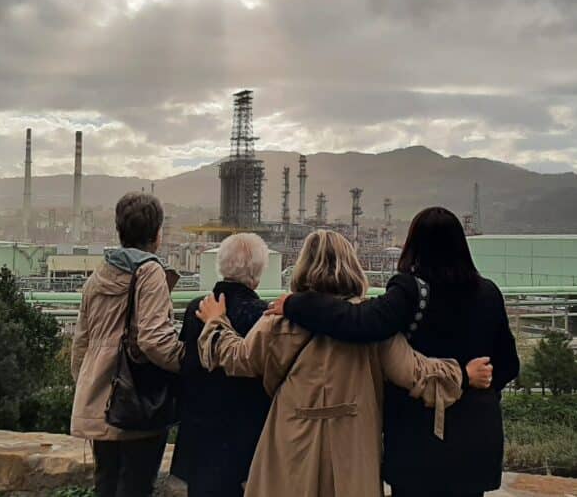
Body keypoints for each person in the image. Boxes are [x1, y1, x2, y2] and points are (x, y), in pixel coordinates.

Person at [195, 229, 493, 497]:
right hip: (354, 447)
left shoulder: (279, 319)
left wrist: (215, 321)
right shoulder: (372, 326)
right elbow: (416, 374)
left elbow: (238, 358)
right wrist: (463, 375)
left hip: (289, 441)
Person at [273, 207, 520, 497]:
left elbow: (360, 322)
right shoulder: (489, 292)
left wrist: (296, 304)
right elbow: (508, 365)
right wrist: (472, 388)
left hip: (420, 439)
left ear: (413, 245)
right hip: (477, 434)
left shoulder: (410, 290)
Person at [71, 192, 185, 497]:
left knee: (106, 483)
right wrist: (189, 361)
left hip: (100, 398)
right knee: (136, 485)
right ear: (157, 233)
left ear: (119, 230)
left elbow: (81, 342)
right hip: (136, 400)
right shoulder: (150, 272)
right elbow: (153, 340)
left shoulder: (99, 274)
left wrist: (88, 386)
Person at [170, 233, 271, 497]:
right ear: (258, 273)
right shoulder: (262, 316)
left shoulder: (196, 308)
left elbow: (186, 369)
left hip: (200, 437)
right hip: (246, 442)